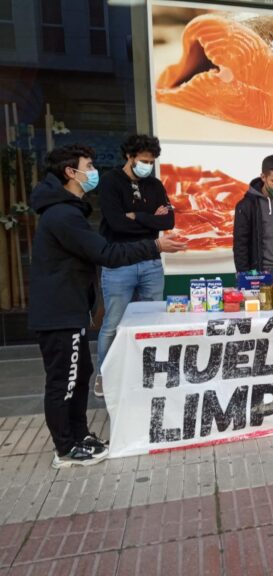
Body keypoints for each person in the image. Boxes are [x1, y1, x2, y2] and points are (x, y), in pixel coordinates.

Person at [29, 144, 185, 468]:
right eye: (88, 165)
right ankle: (65, 449)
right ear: (71, 172)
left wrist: (141, 226)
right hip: (58, 312)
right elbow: (107, 253)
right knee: (65, 380)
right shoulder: (62, 215)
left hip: (70, 310)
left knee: (81, 375)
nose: (93, 171)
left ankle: (80, 435)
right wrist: (155, 243)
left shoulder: (67, 211)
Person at [95, 135, 174, 397]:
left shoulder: (154, 184)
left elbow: (168, 222)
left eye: (151, 162)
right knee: (113, 323)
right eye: (143, 161)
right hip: (118, 263)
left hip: (151, 262)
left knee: (151, 321)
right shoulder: (110, 182)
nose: (147, 166)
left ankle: (145, 374)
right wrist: (151, 219)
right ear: (129, 157)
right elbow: (117, 224)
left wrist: (137, 216)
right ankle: (104, 376)